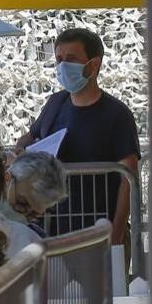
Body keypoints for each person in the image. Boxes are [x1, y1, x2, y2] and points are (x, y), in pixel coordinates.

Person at [14, 28, 138, 246]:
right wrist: (19, 153)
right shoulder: (55, 103)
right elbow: (30, 137)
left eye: (71, 59)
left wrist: (115, 236)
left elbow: (128, 179)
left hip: (98, 233)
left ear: (94, 64)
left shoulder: (117, 114)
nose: (62, 66)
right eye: (59, 59)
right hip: (53, 231)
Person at [0, 130, 66, 256]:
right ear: (8, 177)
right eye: (22, 203)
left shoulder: (31, 238)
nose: (23, 215)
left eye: (33, 215)